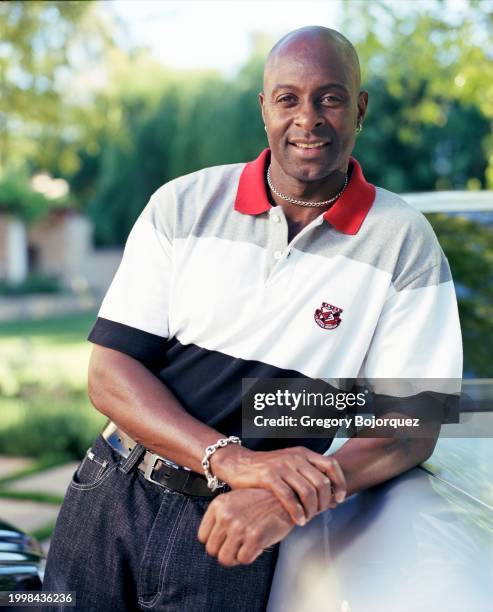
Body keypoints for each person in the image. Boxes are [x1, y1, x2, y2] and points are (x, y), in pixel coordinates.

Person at [42, 25, 462, 612]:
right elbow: (110, 373)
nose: (308, 118)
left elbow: (410, 427)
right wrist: (231, 460)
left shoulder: (402, 243)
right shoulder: (183, 204)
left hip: (235, 532)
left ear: (359, 107)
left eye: (330, 97)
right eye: (287, 98)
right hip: (108, 492)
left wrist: (286, 499)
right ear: (263, 108)